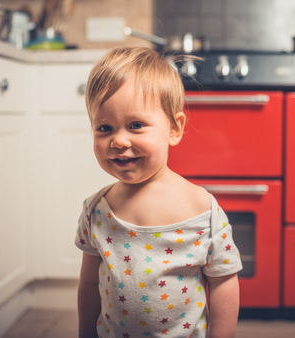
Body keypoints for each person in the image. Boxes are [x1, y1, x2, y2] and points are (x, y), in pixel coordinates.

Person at [75, 46, 242, 338]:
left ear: (174, 128)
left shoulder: (203, 209)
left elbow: (224, 282)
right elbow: (89, 283)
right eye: (104, 128)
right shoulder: (96, 210)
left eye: (136, 125)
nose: (118, 140)